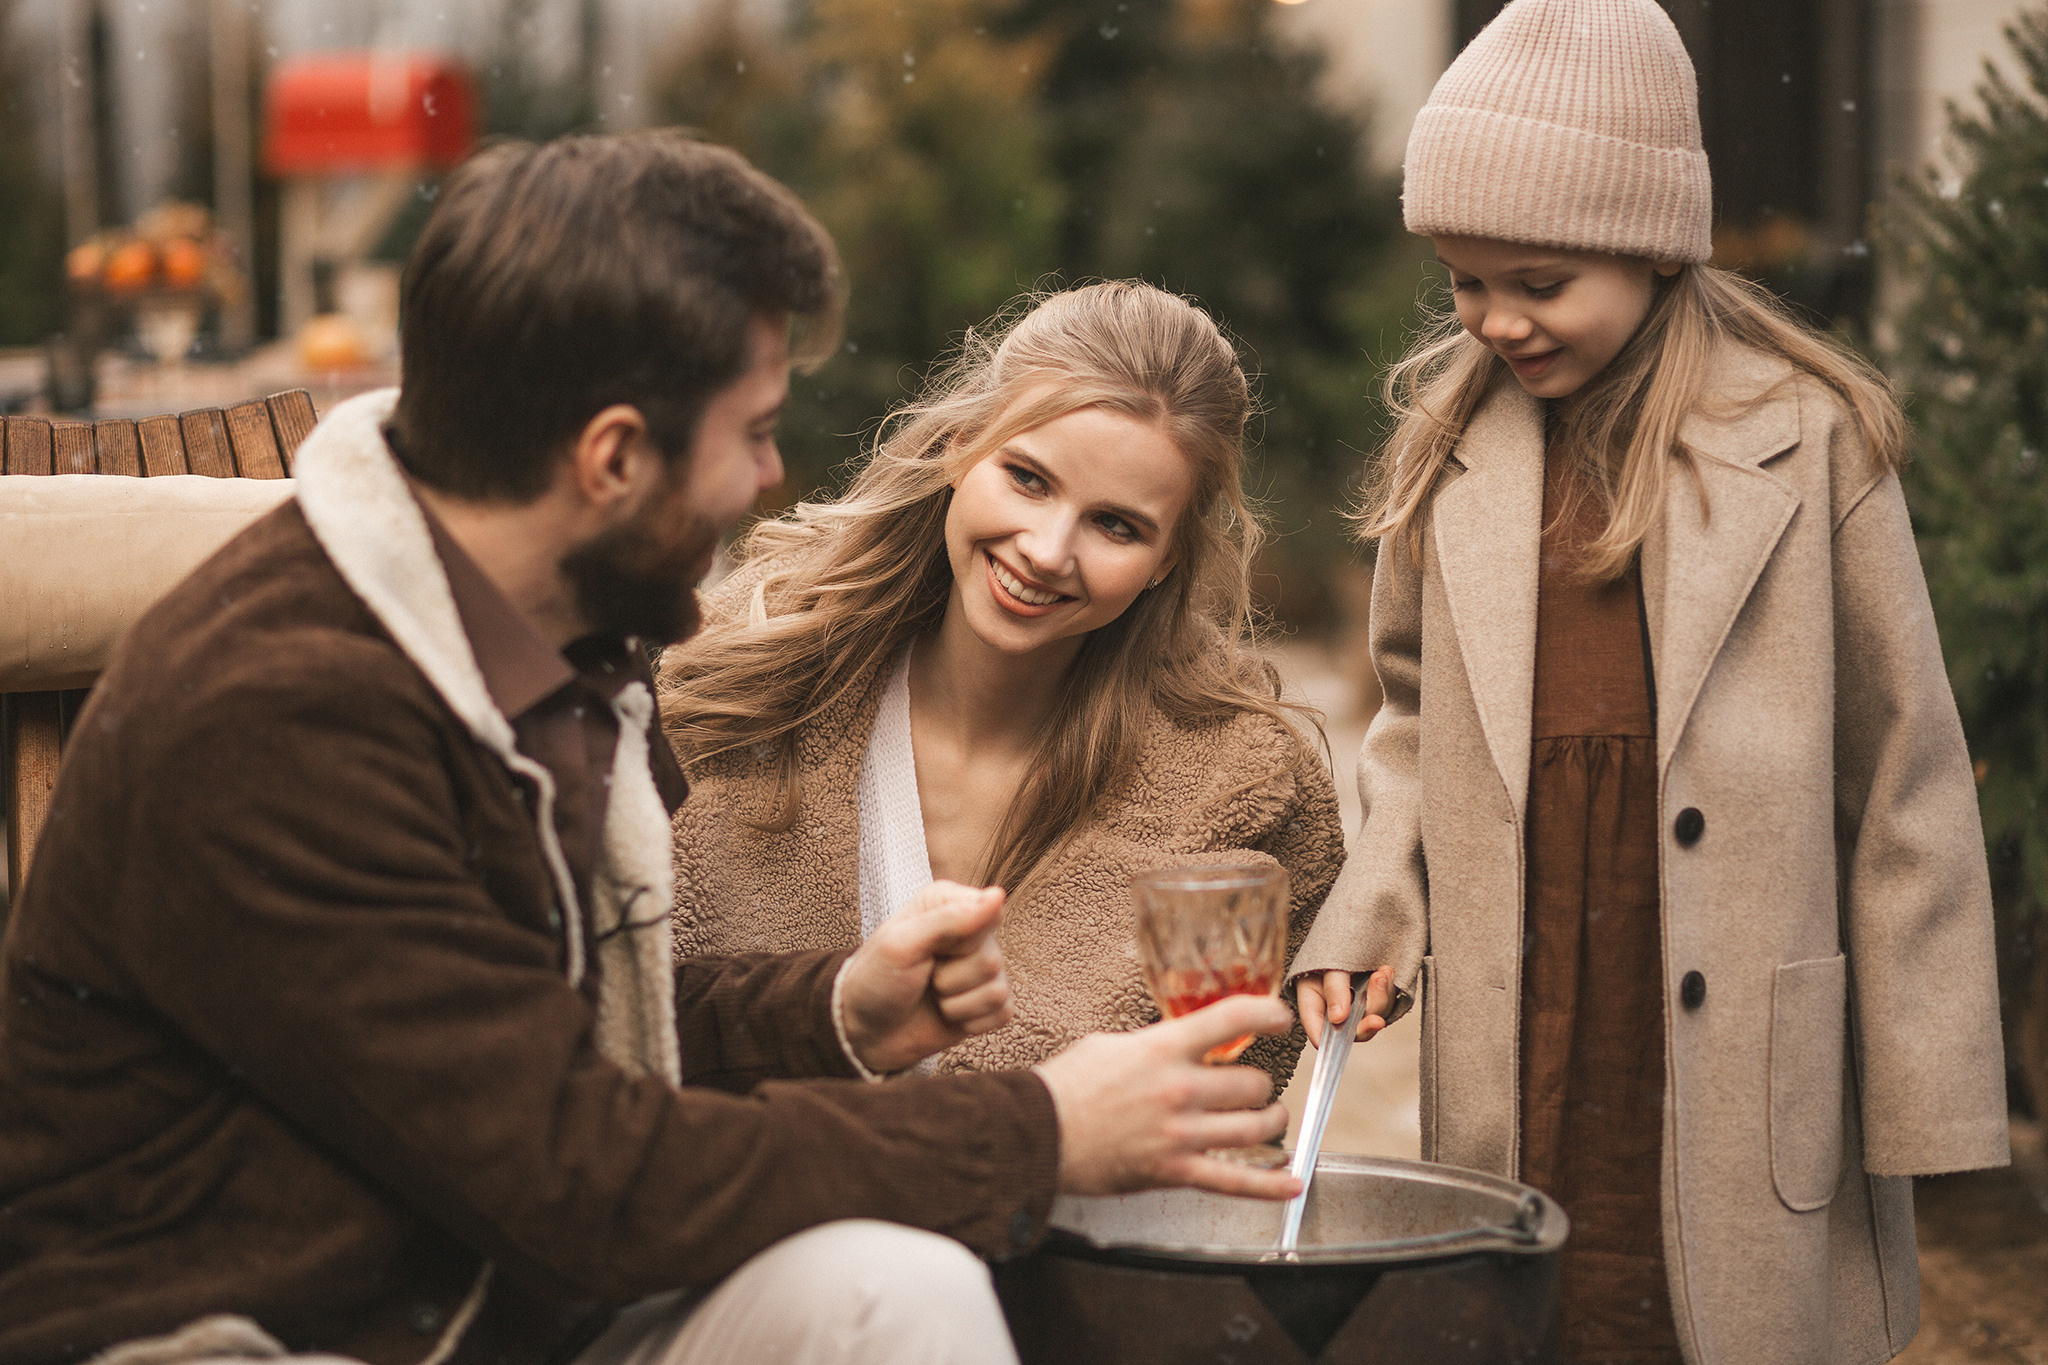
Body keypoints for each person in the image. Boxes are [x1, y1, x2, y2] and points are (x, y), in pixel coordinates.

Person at [0, 132, 1305, 1365]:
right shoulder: (291, 716)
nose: (771, 473)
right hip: (259, 1333)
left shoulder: (549, 646)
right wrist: (1038, 1126)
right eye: (749, 433)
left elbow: (520, 1031)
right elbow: (576, 1171)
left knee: (895, 1293)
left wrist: (826, 1011)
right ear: (615, 458)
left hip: (499, 1305)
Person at [1290, 1, 2010, 1360]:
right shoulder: (1449, 453)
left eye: (1538, 279)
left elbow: (1907, 773)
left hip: (1735, 1034)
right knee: (1544, 1305)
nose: (1494, 318)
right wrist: (1371, 912)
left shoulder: (1810, 443)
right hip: (1528, 1006)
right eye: (1464, 279)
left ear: (1653, 241)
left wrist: (1930, 1094)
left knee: (1712, 1308)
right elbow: (1414, 725)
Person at [656, 282, 1347, 1088]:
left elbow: (1220, 1109)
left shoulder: (1236, 793)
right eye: (1027, 478)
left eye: (1116, 525)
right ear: (961, 446)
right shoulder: (730, 676)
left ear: (1166, 562)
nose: (1048, 550)